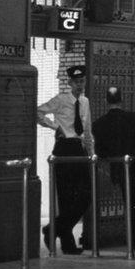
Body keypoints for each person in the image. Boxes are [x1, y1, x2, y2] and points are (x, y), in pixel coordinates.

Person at [91, 87, 135, 256]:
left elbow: (100, 152)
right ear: (122, 100)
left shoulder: (98, 124)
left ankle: (134, 243)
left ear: (106, 101)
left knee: (130, 205)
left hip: (119, 170)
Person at [37, 65, 94, 254]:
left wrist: (90, 155)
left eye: (82, 82)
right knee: (66, 197)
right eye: (77, 82)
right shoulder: (61, 100)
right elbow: (38, 112)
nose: (80, 85)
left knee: (85, 196)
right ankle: (68, 245)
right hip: (63, 147)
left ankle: (52, 228)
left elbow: (87, 131)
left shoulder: (85, 102)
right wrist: (55, 127)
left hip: (78, 149)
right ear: (70, 83)